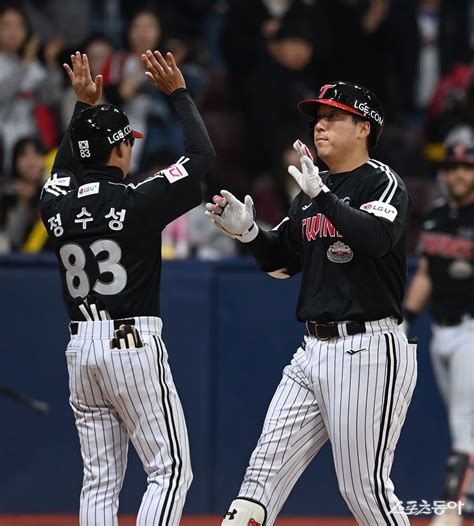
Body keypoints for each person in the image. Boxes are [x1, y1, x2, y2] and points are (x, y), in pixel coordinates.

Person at [206, 81, 416, 525]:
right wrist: (249, 233)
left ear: (363, 127)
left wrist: (323, 197)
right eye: (317, 118)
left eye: (334, 116)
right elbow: (282, 264)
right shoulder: (310, 192)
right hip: (312, 351)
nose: (320, 125)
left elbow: (376, 239)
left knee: (363, 490)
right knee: (260, 478)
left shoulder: (382, 183)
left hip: (369, 348)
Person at [40, 50, 214, 525]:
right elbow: (202, 157)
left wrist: (80, 110)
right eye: (127, 143)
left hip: (80, 347)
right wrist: (179, 93)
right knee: (171, 469)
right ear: (119, 149)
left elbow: (61, 172)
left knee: (99, 478)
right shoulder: (139, 199)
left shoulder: (53, 204)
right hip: (129, 342)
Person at [404, 140, 474, 526]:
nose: (458, 174)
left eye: (465, 167)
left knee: (464, 428)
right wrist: (406, 317)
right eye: (451, 167)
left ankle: (450, 513)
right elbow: (427, 273)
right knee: (462, 421)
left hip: (471, 329)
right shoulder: (436, 215)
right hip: (442, 330)